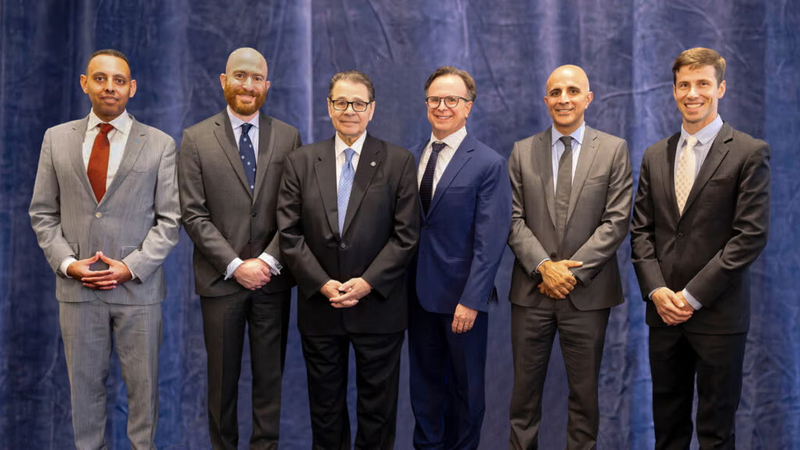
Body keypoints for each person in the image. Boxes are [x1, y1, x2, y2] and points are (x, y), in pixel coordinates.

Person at [29, 49, 180, 450]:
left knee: (143, 395)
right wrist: (68, 264)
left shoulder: (161, 144)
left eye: (118, 80)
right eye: (100, 78)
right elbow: (43, 213)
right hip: (77, 291)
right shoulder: (55, 139)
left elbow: (170, 221)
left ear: (132, 88)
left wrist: (131, 268)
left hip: (139, 291)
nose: (109, 87)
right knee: (85, 393)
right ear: (84, 83)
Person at [631, 47, 770, 449]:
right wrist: (657, 291)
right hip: (663, 315)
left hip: (718, 316)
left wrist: (691, 297)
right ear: (674, 91)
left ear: (720, 88)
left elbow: (749, 236)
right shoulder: (655, 155)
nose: (693, 93)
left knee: (715, 434)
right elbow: (641, 232)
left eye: (703, 83)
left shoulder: (748, 152)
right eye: (684, 85)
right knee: (668, 432)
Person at [277, 70, 420, 449]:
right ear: (329, 107)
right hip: (320, 306)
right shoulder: (301, 161)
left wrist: (367, 282)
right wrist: (322, 283)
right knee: (325, 413)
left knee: (378, 414)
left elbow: (406, 235)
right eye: (341, 102)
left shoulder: (399, 161)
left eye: (358, 103)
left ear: (372, 109)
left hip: (378, 306)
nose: (349, 110)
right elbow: (289, 235)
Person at [178, 47, 301, 449]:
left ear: (268, 85)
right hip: (221, 283)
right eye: (240, 76)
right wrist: (235, 264)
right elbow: (193, 215)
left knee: (270, 387)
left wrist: (266, 261)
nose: (248, 86)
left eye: (257, 78)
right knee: (221, 388)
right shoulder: (196, 139)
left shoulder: (288, 136)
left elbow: (296, 212)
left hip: (272, 281)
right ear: (223, 80)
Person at [507, 65, 633, 449]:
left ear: (588, 98)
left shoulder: (614, 150)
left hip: (588, 296)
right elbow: (512, 219)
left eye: (573, 91)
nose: (564, 99)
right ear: (545, 100)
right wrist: (545, 268)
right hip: (532, 294)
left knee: (584, 399)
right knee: (523, 401)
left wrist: (569, 274)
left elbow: (616, 221)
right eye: (556, 92)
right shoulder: (521, 151)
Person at [407, 66, 511, 450]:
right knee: (424, 391)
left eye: (452, 99)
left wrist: (471, 300)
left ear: (468, 107)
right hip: (417, 298)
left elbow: (492, 240)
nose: (442, 106)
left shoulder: (488, 163)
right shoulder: (415, 155)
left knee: (466, 395)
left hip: (462, 302)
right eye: (435, 99)